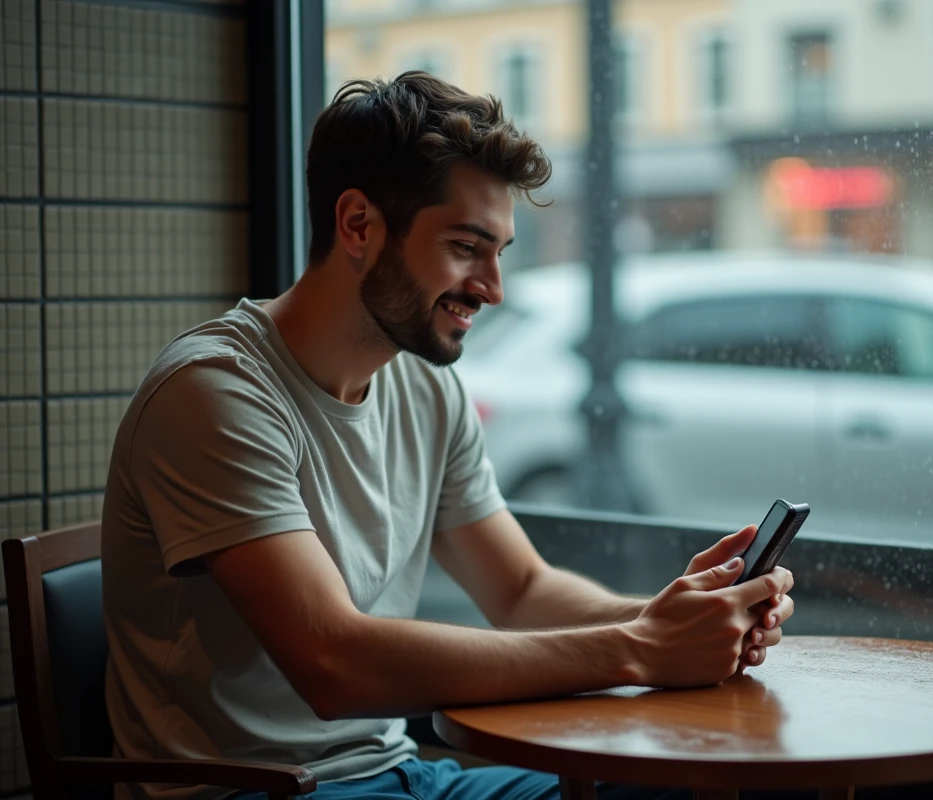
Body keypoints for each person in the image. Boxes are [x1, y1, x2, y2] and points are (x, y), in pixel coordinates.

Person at [101, 73, 795, 800]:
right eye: (467, 246)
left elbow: (522, 590)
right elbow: (332, 664)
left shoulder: (426, 385)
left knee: (691, 786)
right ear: (358, 225)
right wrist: (639, 649)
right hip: (253, 791)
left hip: (396, 773)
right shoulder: (215, 392)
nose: (493, 287)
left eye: (500, 251)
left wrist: (680, 618)